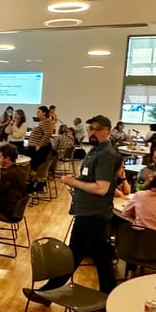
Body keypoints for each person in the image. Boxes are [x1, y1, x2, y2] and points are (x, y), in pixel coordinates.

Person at [57, 115, 120, 295]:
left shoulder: (106, 155)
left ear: (107, 130)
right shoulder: (95, 151)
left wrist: (73, 183)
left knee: (74, 254)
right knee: (101, 257)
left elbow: (101, 188)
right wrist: (76, 181)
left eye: (96, 129)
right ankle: (109, 295)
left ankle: (48, 291)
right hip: (90, 212)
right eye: (89, 129)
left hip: (93, 214)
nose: (91, 132)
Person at [26, 106, 56, 170]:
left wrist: (40, 145)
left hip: (38, 148)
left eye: (39, 112)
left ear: (44, 113)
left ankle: (35, 177)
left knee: (36, 164)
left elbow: (48, 134)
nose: (37, 113)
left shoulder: (46, 122)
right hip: (33, 146)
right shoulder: (41, 122)